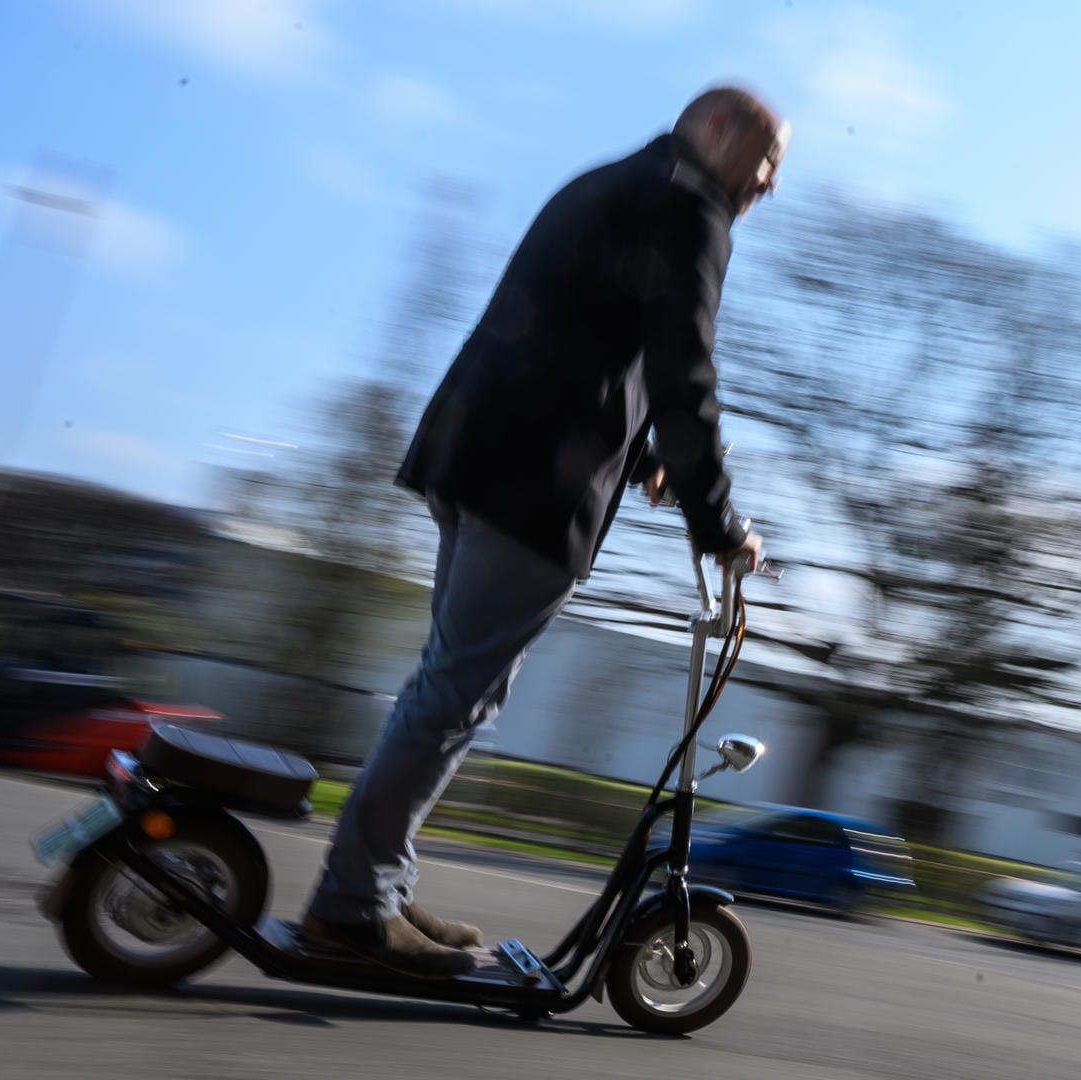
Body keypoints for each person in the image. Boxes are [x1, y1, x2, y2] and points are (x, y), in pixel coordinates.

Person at [299, 86, 787, 977]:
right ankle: (353, 907)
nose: (767, 183)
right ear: (715, 130)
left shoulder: (615, 182)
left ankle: (377, 886)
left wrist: (642, 452)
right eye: (766, 159)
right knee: (454, 695)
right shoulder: (692, 210)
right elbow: (686, 371)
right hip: (532, 488)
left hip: (474, 453)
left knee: (449, 689)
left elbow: (581, 333)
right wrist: (720, 525)